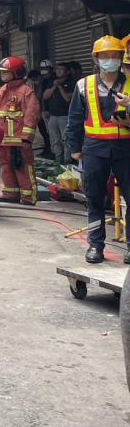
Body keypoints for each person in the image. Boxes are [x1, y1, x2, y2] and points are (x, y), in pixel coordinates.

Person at [66, 35, 130, 264]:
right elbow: (74, 118)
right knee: (94, 199)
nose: (110, 60)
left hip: (126, 148)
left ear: (122, 57)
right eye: (105, 56)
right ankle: (95, 245)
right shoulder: (84, 85)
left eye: (115, 55)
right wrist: (74, 148)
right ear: (96, 58)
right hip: (94, 148)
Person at [0, 56, 41, 206]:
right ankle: (11, 194)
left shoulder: (26, 92)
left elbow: (31, 115)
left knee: (22, 166)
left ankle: (28, 196)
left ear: (16, 72)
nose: (2, 75)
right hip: (4, 138)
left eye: (5, 72)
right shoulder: (3, 90)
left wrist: (26, 138)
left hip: (19, 139)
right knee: (6, 166)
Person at [42, 62, 74, 164]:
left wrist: (60, 87)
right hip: (53, 116)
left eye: (61, 69)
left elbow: (68, 98)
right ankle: (58, 159)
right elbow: (45, 96)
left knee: (66, 140)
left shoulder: (72, 83)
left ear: (67, 71)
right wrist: (54, 87)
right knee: (55, 139)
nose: (58, 71)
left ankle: (67, 160)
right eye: (57, 69)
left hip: (65, 116)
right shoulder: (52, 82)